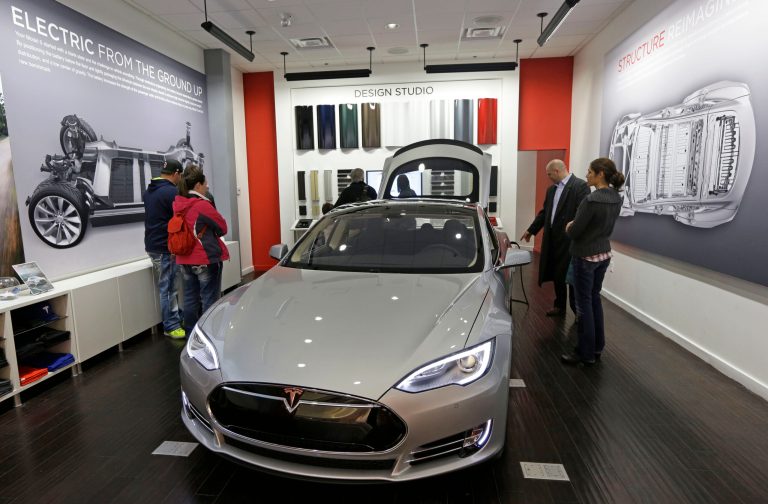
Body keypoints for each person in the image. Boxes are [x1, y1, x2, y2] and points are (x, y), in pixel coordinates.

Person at [561, 157, 625, 366]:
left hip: (585, 256)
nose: (586, 175)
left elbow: (576, 231)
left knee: (584, 305)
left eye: (589, 172)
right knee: (594, 300)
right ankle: (597, 347)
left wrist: (570, 226)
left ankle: (585, 352)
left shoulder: (591, 200)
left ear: (600, 175)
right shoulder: (616, 198)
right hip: (603, 255)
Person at [521, 159, 589, 317]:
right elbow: (545, 212)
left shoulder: (580, 186)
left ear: (557, 171)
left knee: (571, 277)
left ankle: (577, 311)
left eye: (549, 174)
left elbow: (583, 213)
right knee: (557, 274)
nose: (548, 177)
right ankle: (559, 306)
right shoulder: (551, 190)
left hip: (570, 240)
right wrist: (531, 230)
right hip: (553, 238)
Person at [173, 165, 230, 336]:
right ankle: (208, 336)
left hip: (184, 259)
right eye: (205, 184)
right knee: (210, 301)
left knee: (189, 299)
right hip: (205, 258)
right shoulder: (202, 206)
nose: (207, 187)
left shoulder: (178, 204)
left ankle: (192, 335)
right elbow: (223, 227)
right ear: (197, 185)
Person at [143, 159, 185, 339]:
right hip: (164, 247)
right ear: (176, 173)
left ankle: (174, 317)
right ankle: (171, 325)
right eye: (180, 176)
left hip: (152, 244)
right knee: (168, 288)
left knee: (168, 286)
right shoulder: (172, 193)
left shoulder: (149, 191)